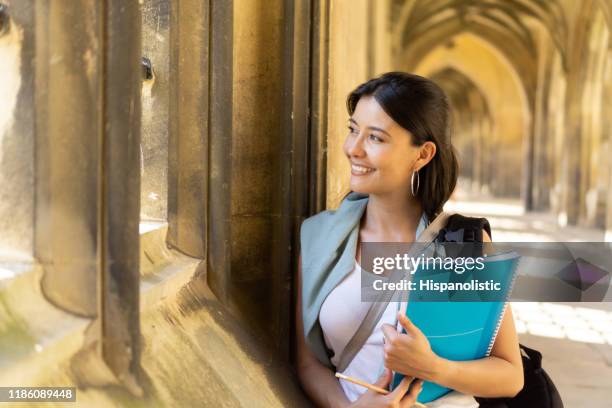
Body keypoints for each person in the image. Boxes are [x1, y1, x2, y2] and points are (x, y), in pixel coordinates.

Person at [295, 72, 524, 407]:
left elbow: (510, 375)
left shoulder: (462, 242)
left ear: (423, 155)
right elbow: (307, 363)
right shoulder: (318, 238)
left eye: (375, 138)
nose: (353, 149)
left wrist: (433, 368)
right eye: (352, 130)